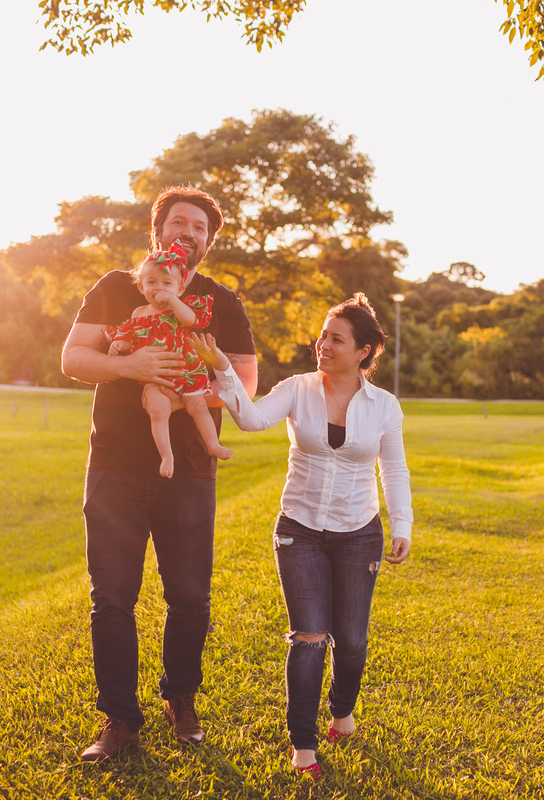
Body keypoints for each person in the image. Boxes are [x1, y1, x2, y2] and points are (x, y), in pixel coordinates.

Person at [61, 186, 258, 762]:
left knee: (191, 598)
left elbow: (243, 385)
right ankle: (119, 720)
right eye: (178, 222)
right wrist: (131, 366)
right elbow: (73, 359)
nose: (187, 233)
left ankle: (182, 700)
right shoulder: (116, 288)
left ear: (207, 243)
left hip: (190, 471)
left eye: (199, 228)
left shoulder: (222, 302)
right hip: (115, 469)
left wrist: (175, 403)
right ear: (158, 230)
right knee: (112, 598)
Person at [191, 293, 412, 780]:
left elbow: (393, 467)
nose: (323, 344)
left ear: (363, 352)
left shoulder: (384, 406)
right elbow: (249, 419)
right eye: (323, 335)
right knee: (309, 637)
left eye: (336, 338)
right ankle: (304, 746)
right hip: (300, 529)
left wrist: (403, 524)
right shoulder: (298, 388)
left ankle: (342, 712)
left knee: (351, 641)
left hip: (359, 532)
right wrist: (223, 368)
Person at [105, 241, 232, 477]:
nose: (159, 288)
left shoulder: (178, 308)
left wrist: (173, 301)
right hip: (154, 376)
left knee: (199, 408)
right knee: (157, 409)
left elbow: (189, 320)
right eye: (151, 282)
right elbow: (131, 335)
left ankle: (213, 444)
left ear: (180, 288)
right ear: (141, 287)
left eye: (166, 283)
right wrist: (120, 344)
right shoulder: (139, 313)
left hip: (186, 371)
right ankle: (167, 456)